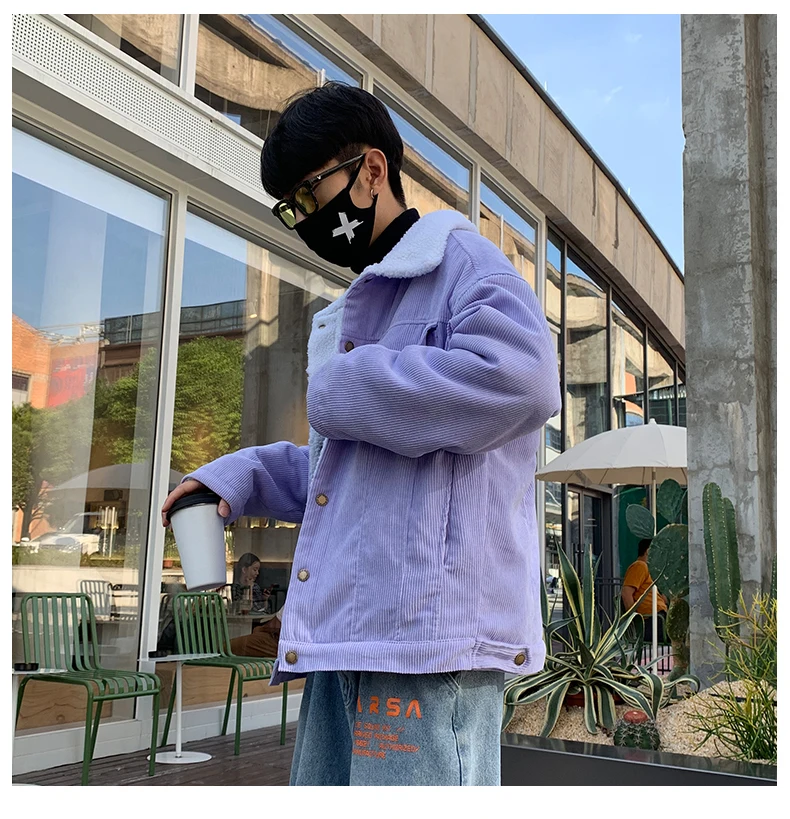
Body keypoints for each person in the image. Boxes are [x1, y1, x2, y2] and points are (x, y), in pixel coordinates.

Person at [162, 82, 561, 786]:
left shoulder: (465, 266)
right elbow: (346, 468)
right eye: (290, 208)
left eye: (309, 194)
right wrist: (240, 476)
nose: (305, 220)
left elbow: (524, 381)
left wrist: (347, 382)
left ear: (372, 170)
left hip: (432, 643)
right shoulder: (357, 304)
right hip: (349, 631)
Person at [621, 539, 669, 644]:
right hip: (652, 619)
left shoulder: (650, 570)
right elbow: (626, 593)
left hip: (659, 617)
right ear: (648, 551)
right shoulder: (640, 566)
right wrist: (634, 618)